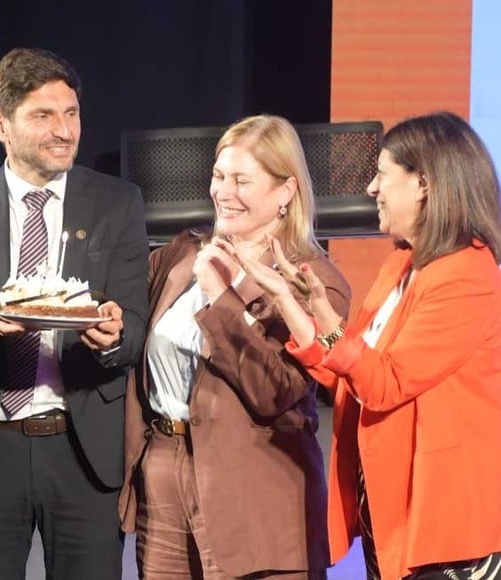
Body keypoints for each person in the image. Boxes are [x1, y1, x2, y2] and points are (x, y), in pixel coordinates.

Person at [234, 112, 501, 579]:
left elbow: (385, 383)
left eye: (381, 176)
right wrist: (290, 301)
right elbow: (345, 369)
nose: (372, 190)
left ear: (424, 184)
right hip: (388, 506)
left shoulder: (467, 274)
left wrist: (325, 314)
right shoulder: (402, 264)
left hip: (443, 521)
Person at [0, 47, 149, 579]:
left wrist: (114, 335)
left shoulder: (117, 202)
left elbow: (135, 328)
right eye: (43, 116)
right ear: (1, 123)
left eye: (70, 114)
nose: (64, 130)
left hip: (82, 449)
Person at [119, 115, 351, 579]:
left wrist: (222, 296)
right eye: (219, 176)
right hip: (163, 483)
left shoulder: (314, 281)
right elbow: (108, 290)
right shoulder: (181, 256)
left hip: (256, 491)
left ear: (285, 192)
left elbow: (276, 389)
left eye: (242, 180)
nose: (223, 192)